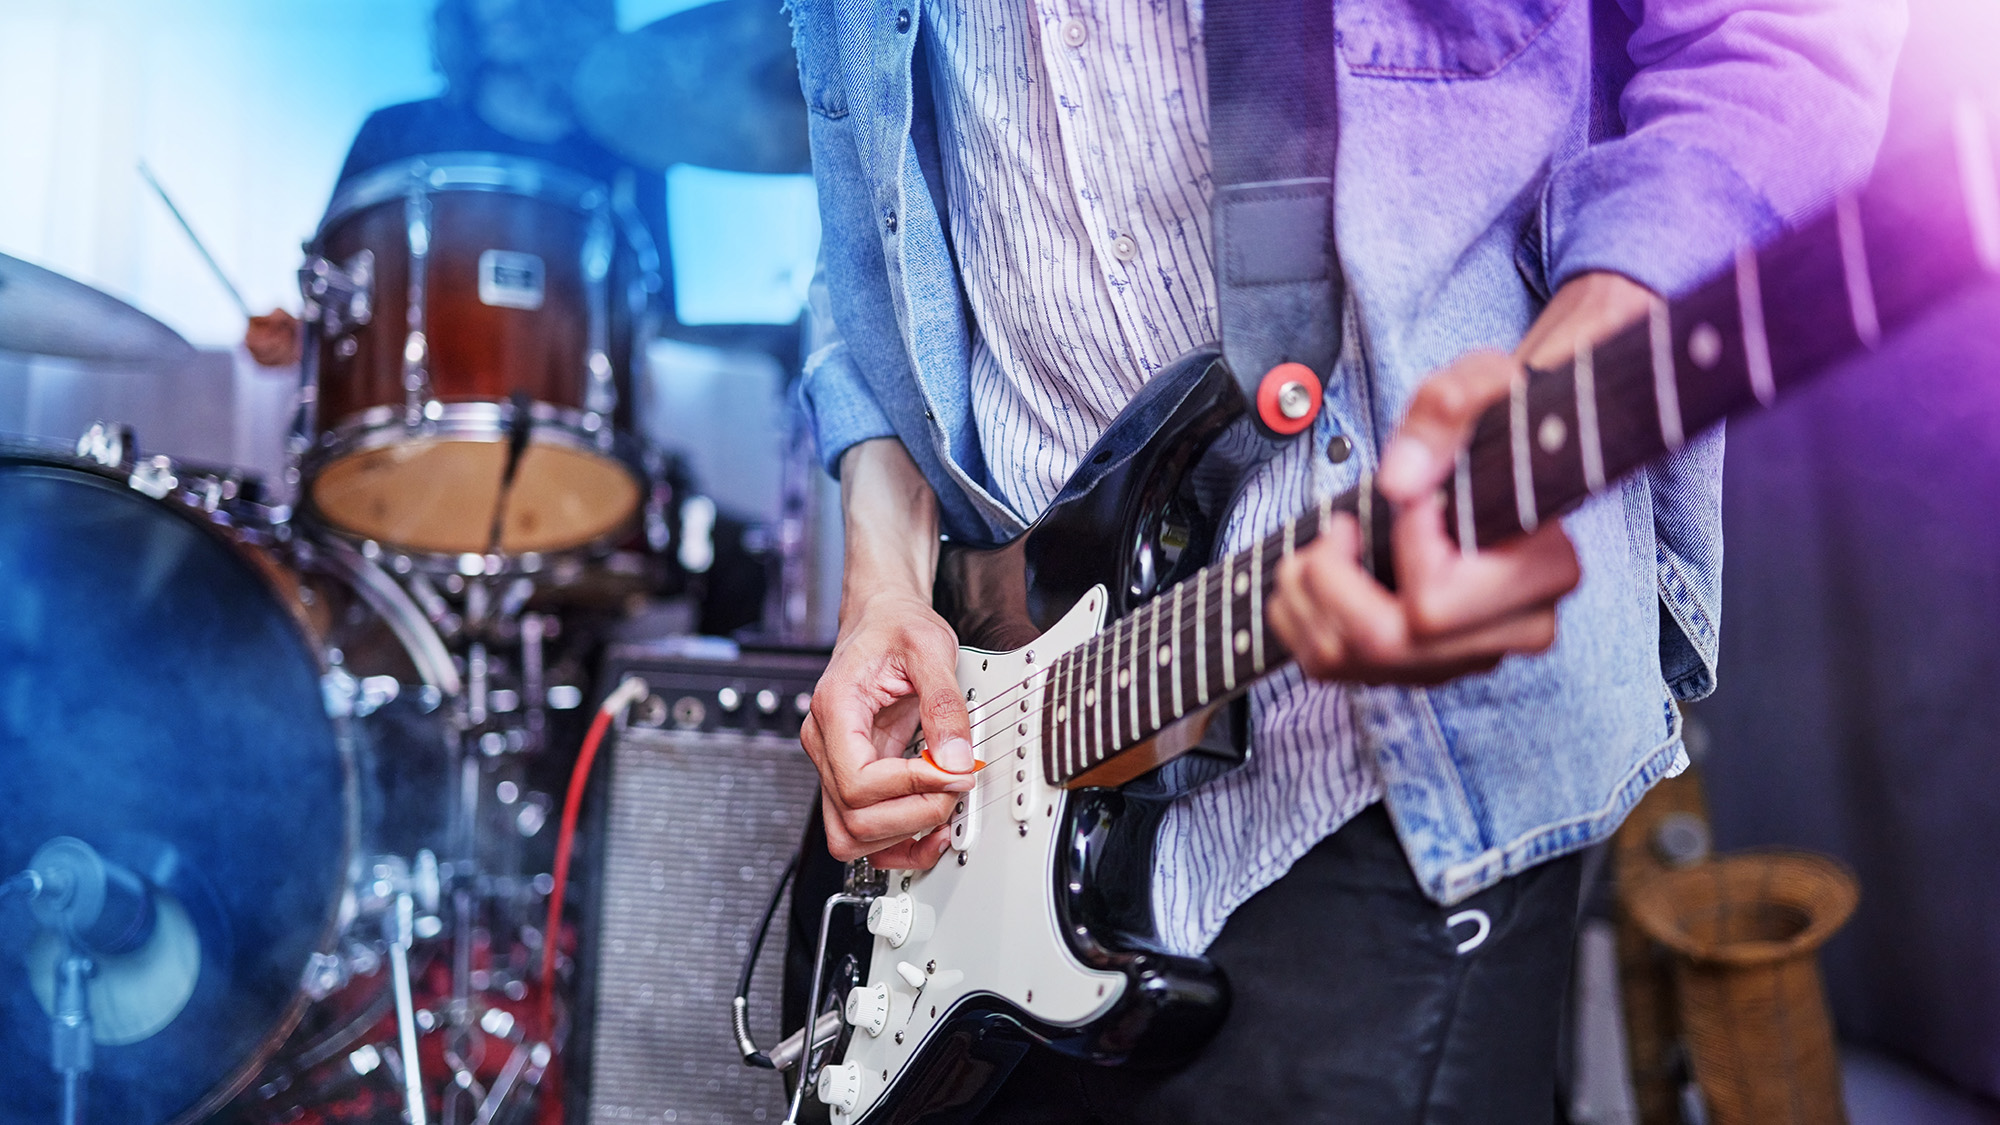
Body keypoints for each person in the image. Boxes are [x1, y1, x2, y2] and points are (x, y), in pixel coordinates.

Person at [789, 1, 1904, 1121]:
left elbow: (1771, 36)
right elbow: (859, 244)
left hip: (1382, 764)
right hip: (988, 748)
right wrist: (879, 588)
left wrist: (1563, 384)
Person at [243, 0, 662, 367]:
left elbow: (657, 320)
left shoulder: (627, 156)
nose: (502, 5)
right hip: (406, 434)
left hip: (575, 434)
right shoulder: (392, 133)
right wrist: (300, 336)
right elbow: (335, 295)